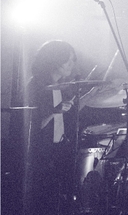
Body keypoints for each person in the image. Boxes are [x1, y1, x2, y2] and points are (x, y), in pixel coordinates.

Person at [25, 40, 78, 215]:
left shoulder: (62, 88)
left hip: (58, 151)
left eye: (73, 60)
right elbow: (30, 126)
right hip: (39, 156)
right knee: (41, 202)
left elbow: (65, 114)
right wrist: (55, 111)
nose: (71, 64)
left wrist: (92, 94)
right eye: (67, 60)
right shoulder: (36, 87)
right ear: (54, 60)